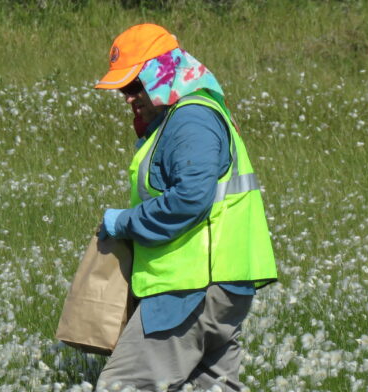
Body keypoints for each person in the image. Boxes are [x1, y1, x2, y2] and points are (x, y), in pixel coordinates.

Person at [94, 23, 278, 391]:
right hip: (219, 286)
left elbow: (190, 199)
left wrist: (123, 223)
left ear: (160, 73)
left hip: (191, 288)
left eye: (134, 86)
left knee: (125, 386)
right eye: (123, 90)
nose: (129, 98)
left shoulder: (191, 119)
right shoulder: (187, 115)